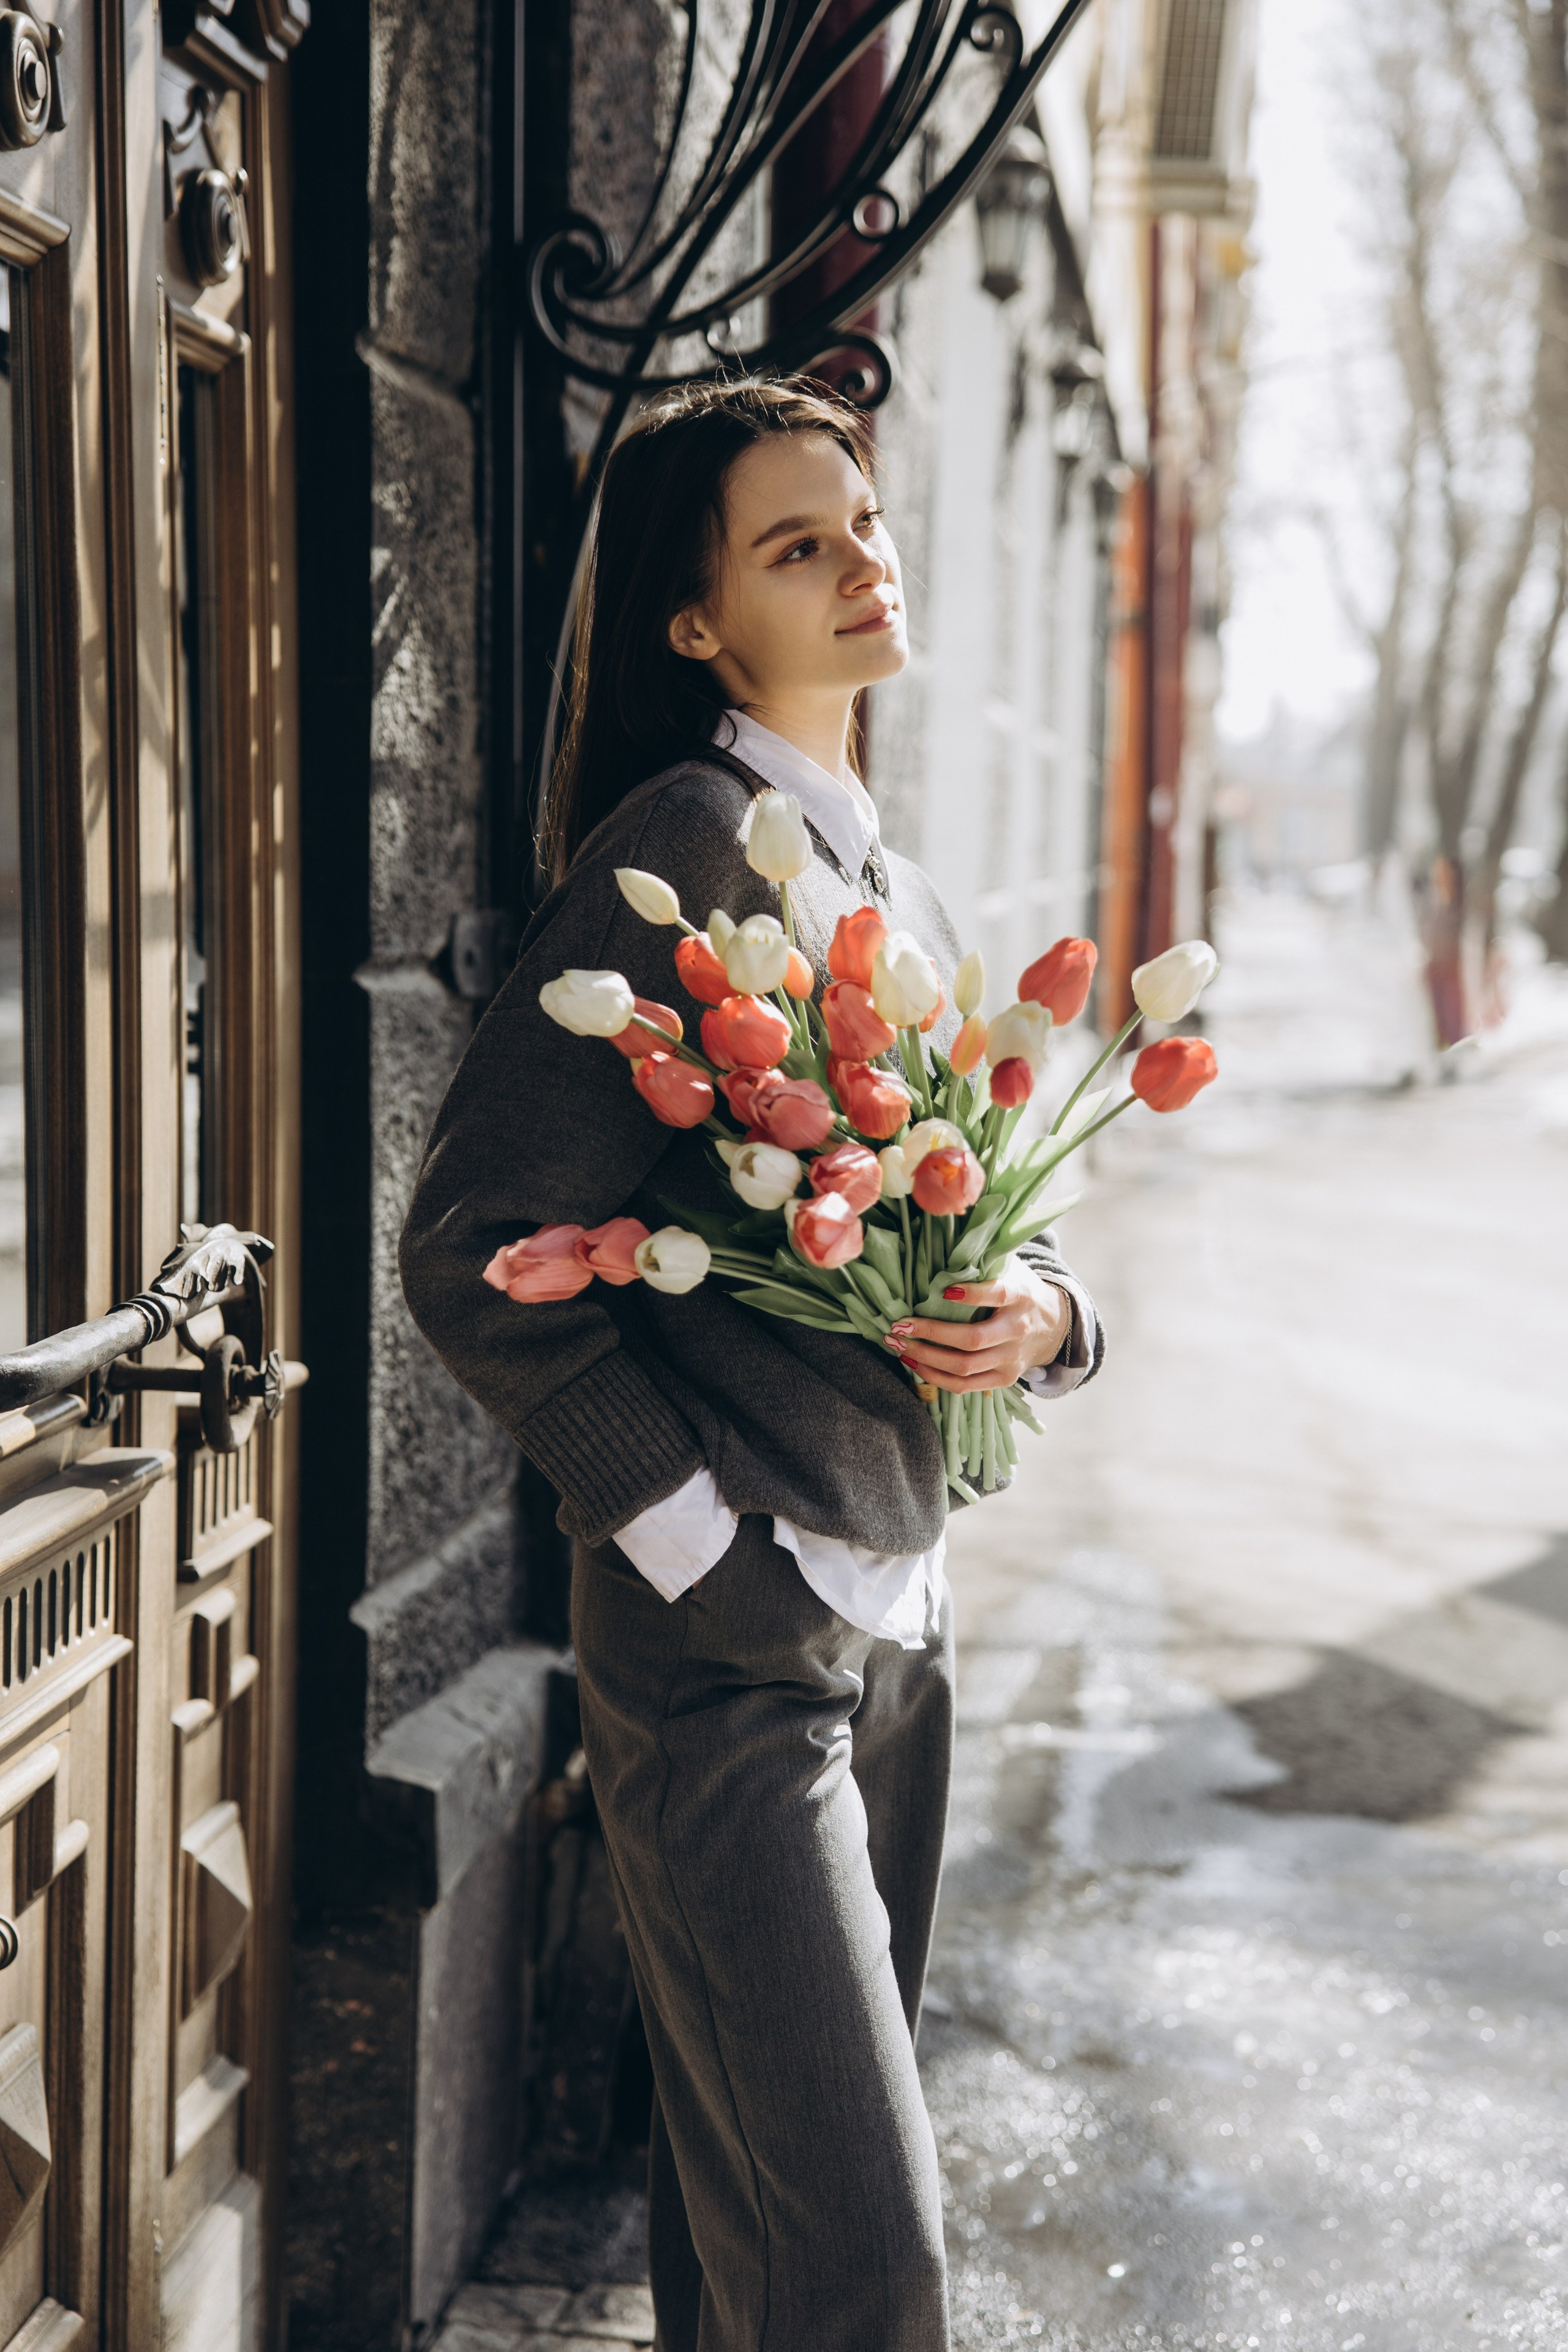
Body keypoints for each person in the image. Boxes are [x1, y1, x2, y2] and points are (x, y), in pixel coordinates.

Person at [399, 376, 1103, 2351]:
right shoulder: (690, 845)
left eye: (860, 516)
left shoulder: (880, 868)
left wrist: (1049, 1316)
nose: (864, 555)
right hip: (741, 1654)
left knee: (758, 2255)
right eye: (801, 544)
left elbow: (987, 1202)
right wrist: (701, 1545)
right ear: (699, 623)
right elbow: (468, 1251)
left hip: (894, 1637)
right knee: (868, 2277)